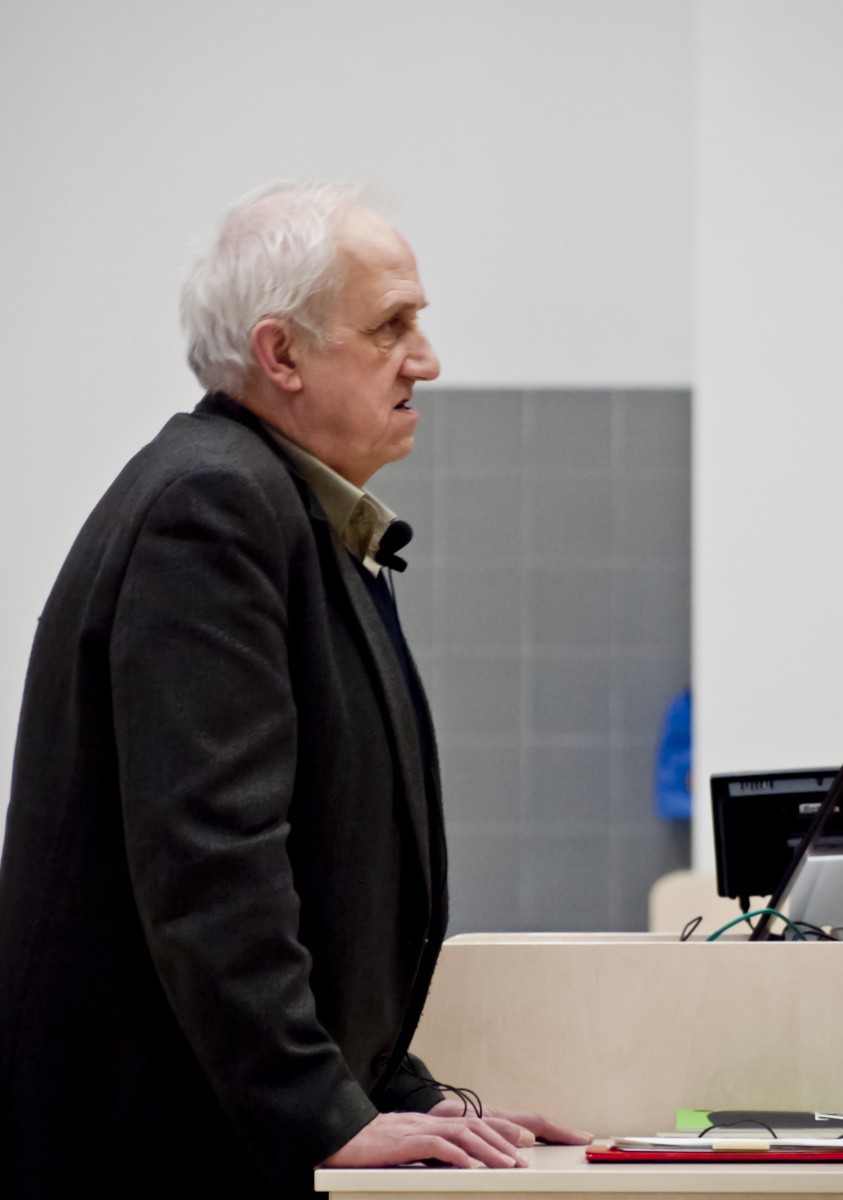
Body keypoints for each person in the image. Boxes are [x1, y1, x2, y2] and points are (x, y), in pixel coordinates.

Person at [0, 181, 590, 1197]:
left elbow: (323, 881)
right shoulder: (213, 507)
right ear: (280, 355)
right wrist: (320, 1112)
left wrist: (399, 1094)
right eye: (390, 326)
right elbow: (211, 860)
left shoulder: (284, 505)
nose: (426, 360)